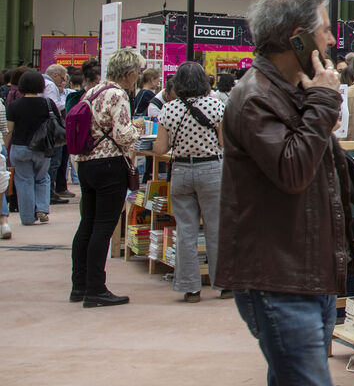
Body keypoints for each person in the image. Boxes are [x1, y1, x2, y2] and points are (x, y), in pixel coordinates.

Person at [211, 0, 351, 386]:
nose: (331, 39)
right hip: (278, 279)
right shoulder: (255, 97)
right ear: (297, 39)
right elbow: (292, 170)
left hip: (304, 273)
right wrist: (325, 100)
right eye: (324, 30)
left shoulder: (291, 91)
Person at [71, 47, 145, 307]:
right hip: (110, 165)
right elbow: (123, 135)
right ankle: (96, 289)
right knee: (104, 227)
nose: (138, 76)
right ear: (128, 73)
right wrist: (137, 129)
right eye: (137, 71)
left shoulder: (93, 91)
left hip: (87, 163)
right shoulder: (118, 94)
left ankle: (79, 285)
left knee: (87, 224)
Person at [153, 61, 227, 303]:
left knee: (186, 230)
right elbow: (224, 142)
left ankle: (190, 288)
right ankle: (223, 284)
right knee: (216, 227)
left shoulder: (168, 109)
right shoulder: (217, 106)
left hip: (182, 171)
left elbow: (160, 148)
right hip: (211, 170)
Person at [4, 69, 55, 226]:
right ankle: (42, 209)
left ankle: (27, 217)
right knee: (42, 178)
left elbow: (9, 130)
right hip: (43, 148)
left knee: (24, 180)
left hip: (20, 147)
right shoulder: (48, 104)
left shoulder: (14, 106)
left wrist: (5, 148)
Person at [42, 64, 72, 202]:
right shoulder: (50, 85)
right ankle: (50, 193)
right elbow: (55, 105)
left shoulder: (42, 82)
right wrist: (68, 103)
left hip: (44, 128)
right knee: (54, 161)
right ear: (55, 75)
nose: (63, 81)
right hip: (52, 129)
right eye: (63, 78)